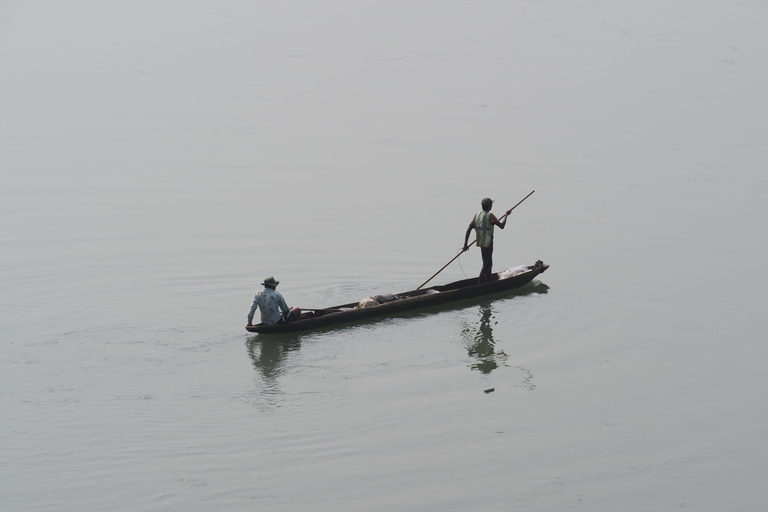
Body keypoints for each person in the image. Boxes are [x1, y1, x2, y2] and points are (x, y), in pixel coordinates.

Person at [463, 198, 512, 284]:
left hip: (481, 243)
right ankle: (480, 285)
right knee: (486, 264)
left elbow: (469, 229)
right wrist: (506, 215)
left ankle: (489, 281)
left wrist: (465, 244)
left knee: (489, 263)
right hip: (488, 243)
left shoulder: (477, 215)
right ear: (490, 206)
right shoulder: (490, 216)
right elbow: (502, 226)